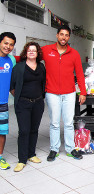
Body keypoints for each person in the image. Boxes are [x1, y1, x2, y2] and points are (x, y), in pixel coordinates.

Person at [42, 25, 87, 161]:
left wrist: (83, 92)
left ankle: (70, 148)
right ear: (57, 35)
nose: (64, 37)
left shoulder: (74, 53)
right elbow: (28, 55)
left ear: (69, 37)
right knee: (54, 123)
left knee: (68, 122)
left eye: (66, 35)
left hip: (69, 93)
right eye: (61, 34)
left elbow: (79, 74)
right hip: (51, 92)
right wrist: (11, 57)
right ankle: (54, 149)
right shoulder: (46, 50)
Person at [10, 42, 46, 172]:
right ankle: (21, 160)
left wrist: (40, 98)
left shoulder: (41, 67)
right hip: (23, 103)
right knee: (24, 130)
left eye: (34, 50)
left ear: (37, 53)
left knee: (34, 129)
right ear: (25, 52)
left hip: (38, 103)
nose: (31, 52)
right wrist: (20, 99)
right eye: (29, 50)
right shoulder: (19, 67)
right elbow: (12, 86)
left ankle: (31, 154)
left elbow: (43, 83)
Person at [0, 32, 17, 170]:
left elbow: (12, 83)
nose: (8, 46)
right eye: (6, 43)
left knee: (2, 131)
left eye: (11, 44)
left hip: (3, 103)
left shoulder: (11, 60)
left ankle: (0, 157)